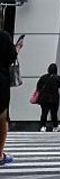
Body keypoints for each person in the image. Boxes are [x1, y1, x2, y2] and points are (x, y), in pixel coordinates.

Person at [0, 32, 22, 166]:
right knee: (2, 117)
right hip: (1, 80)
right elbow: (11, 57)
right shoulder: (3, 37)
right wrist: (17, 48)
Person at [36, 64, 60, 132]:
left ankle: (43, 126)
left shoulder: (43, 77)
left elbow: (38, 86)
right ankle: (55, 126)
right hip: (54, 98)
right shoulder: (57, 78)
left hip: (44, 98)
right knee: (54, 113)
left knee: (44, 113)